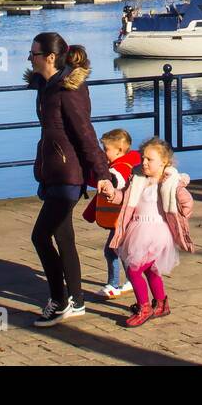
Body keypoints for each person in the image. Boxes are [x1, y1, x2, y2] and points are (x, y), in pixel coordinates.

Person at [24, 32, 112, 327]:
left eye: (33, 54)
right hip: (52, 171)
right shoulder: (47, 86)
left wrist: (102, 174)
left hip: (67, 174)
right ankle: (76, 300)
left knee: (40, 236)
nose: (29, 58)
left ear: (50, 57)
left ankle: (59, 301)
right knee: (63, 237)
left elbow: (85, 133)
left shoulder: (68, 90)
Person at [104, 137, 195, 328]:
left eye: (149, 160)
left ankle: (144, 307)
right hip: (138, 229)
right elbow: (125, 197)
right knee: (151, 270)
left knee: (134, 269)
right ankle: (161, 303)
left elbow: (187, 202)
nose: (144, 163)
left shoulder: (171, 183)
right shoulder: (137, 179)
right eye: (143, 158)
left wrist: (181, 216)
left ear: (163, 162)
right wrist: (113, 194)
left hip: (156, 232)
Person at [81, 128, 142, 299]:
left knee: (111, 250)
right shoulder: (130, 162)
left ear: (120, 150)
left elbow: (116, 179)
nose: (104, 153)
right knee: (121, 250)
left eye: (106, 150)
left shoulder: (121, 167)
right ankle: (131, 280)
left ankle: (114, 284)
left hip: (121, 217)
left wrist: (106, 180)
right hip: (123, 217)